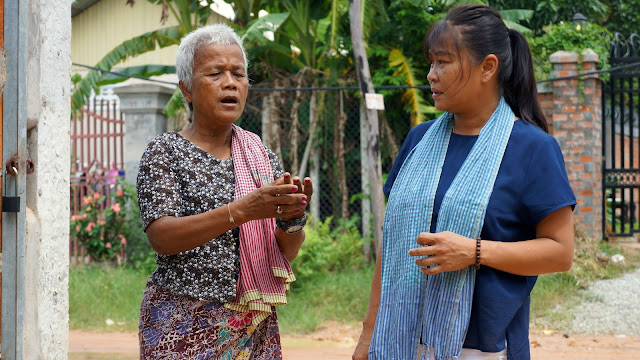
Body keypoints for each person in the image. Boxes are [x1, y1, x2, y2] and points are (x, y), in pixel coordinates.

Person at [353, 5, 575, 360]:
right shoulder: (418, 140)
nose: (431, 75)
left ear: (488, 67)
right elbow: (392, 243)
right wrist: (368, 332)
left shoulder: (532, 149)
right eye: (431, 63)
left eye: (443, 62)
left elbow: (560, 252)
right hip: (399, 341)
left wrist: (474, 252)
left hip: (482, 348)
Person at [136, 24, 312, 359]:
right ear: (186, 89)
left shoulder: (260, 158)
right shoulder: (164, 153)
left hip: (250, 324)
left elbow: (283, 254)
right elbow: (161, 236)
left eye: (239, 74)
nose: (230, 82)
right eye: (215, 73)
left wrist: (292, 219)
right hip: (182, 324)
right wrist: (242, 210)